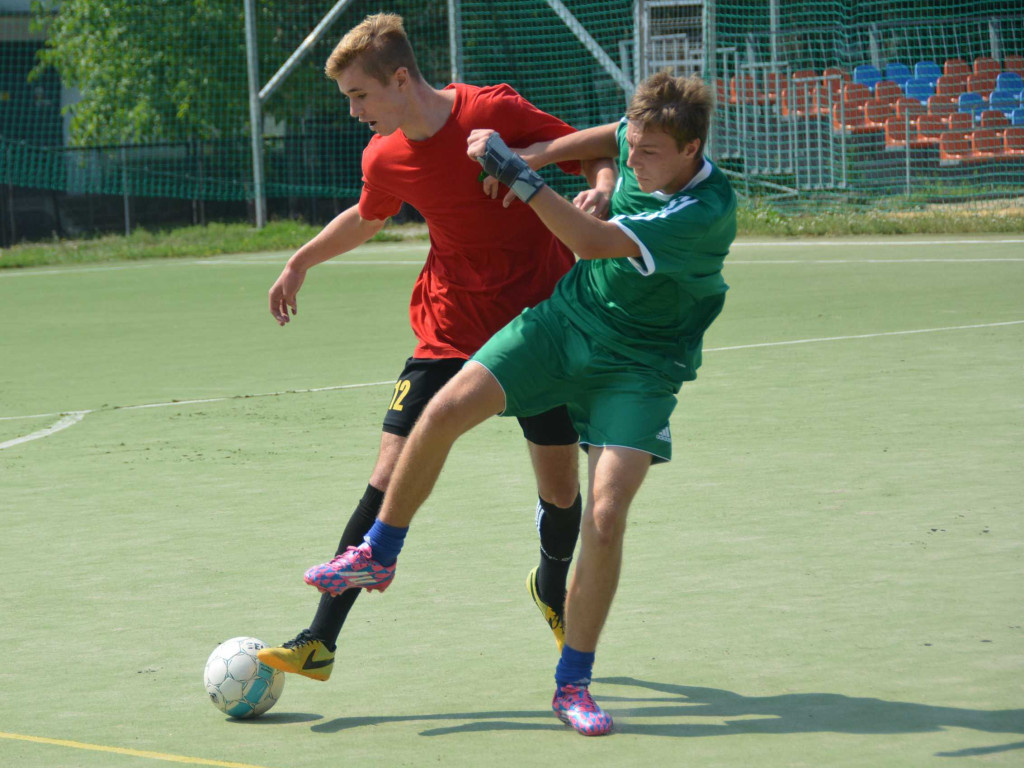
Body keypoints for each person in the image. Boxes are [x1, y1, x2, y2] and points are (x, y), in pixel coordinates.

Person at [303, 71, 737, 736]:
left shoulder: (704, 213)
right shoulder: (642, 138)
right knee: (444, 409)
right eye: (635, 149)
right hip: (566, 322)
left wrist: (521, 175)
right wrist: (543, 157)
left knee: (607, 511)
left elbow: (589, 244)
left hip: (641, 364)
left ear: (692, 150)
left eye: (650, 157)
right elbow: (607, 139)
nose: (634, 163)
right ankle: (379, 553)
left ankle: (573, 685)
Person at [258, 13, 615, 681]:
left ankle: (550, 583)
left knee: (562, 493)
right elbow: (367, 216)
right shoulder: (384, 155)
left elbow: (592, 151)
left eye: (360, 96)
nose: (355, 111)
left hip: (536, 328)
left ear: (400, 79)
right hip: (447, 328)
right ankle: (319, 640)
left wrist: (597, 192)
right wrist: (301, 261)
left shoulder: (493, 112)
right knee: (388, 474)